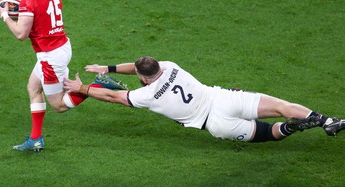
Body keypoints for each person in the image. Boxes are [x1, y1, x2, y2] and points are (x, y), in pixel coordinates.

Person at [0, 0, 122, 151]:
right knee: (33, 88)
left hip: (50, 57)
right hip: (61, 47)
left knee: (59, 106)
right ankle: (36, 139)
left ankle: (97, 84)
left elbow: (21, 34)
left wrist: (5, 16)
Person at [63, 56, 345, 142]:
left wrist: (83, 87)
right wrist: (109, 68)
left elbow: (113, 96)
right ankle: (326, 120)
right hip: (224, 98)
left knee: (269, 134)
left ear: (145, 77)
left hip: (215, 123)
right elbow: (141, 67)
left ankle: (291, 128)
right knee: (281, 106)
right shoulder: (170, 66)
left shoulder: (145, 95)